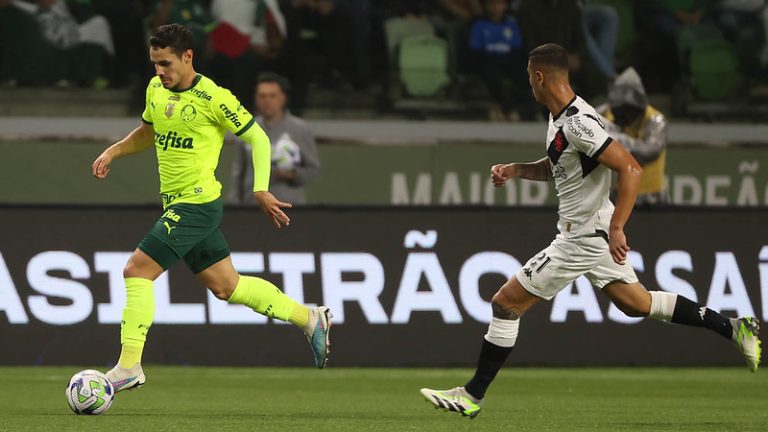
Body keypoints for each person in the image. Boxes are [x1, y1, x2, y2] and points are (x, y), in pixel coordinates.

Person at [419, 43, 761, 418]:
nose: (529, 87)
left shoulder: (579, 122)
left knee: (505, 302)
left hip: (582, 235)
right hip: (590, 231)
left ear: (538, 76)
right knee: (638, 303)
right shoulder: (560, 120)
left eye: (529, 79)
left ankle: (472, 395)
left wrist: (618, 228)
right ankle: (733, 327)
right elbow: (558, 168)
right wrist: (515, 170)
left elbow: (630, 168)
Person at [91, 24, 332, 392]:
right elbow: (147, 132)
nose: (160, 71)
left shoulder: (215, 98)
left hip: (197, 204)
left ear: (188, 57)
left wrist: (261, 188)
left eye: (166, 63)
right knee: (227, 287)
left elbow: (258, 137)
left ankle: (128, 366)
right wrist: (113, 151)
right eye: (155, 63)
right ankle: (308, 317)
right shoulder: (156, 89)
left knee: (136, 271)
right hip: (177, 204)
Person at [229, 72, 320, 205]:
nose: (267, 100)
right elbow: (239, 172)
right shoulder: (246, 128)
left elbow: (313, 169)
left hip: (289, 207)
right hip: (252, 208)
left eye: (272, 96)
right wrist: (234, 204)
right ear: (256, 98)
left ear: (283, 98)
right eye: (262, 96)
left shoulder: (299, 129)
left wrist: (293, 175)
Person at [597, 67, 668, 206]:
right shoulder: (603, 114)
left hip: (651, 198)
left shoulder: (655, 120)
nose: (625, 117)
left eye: (629, 111)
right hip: (617, 196)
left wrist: (613, 140)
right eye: (620, 112)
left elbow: (650, 152)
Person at [469, 0, 533, 121]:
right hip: (487, 60)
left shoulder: (511, 24)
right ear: (486, 6)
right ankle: (503, 107)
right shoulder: (479, 25)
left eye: (499, 3)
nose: (495, 7)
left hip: (508, 60)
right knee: (491, 75)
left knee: (524, 76)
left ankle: (510, 108)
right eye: (492, 3)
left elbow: (516, 48)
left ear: (504, 6)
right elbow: (476, 50)